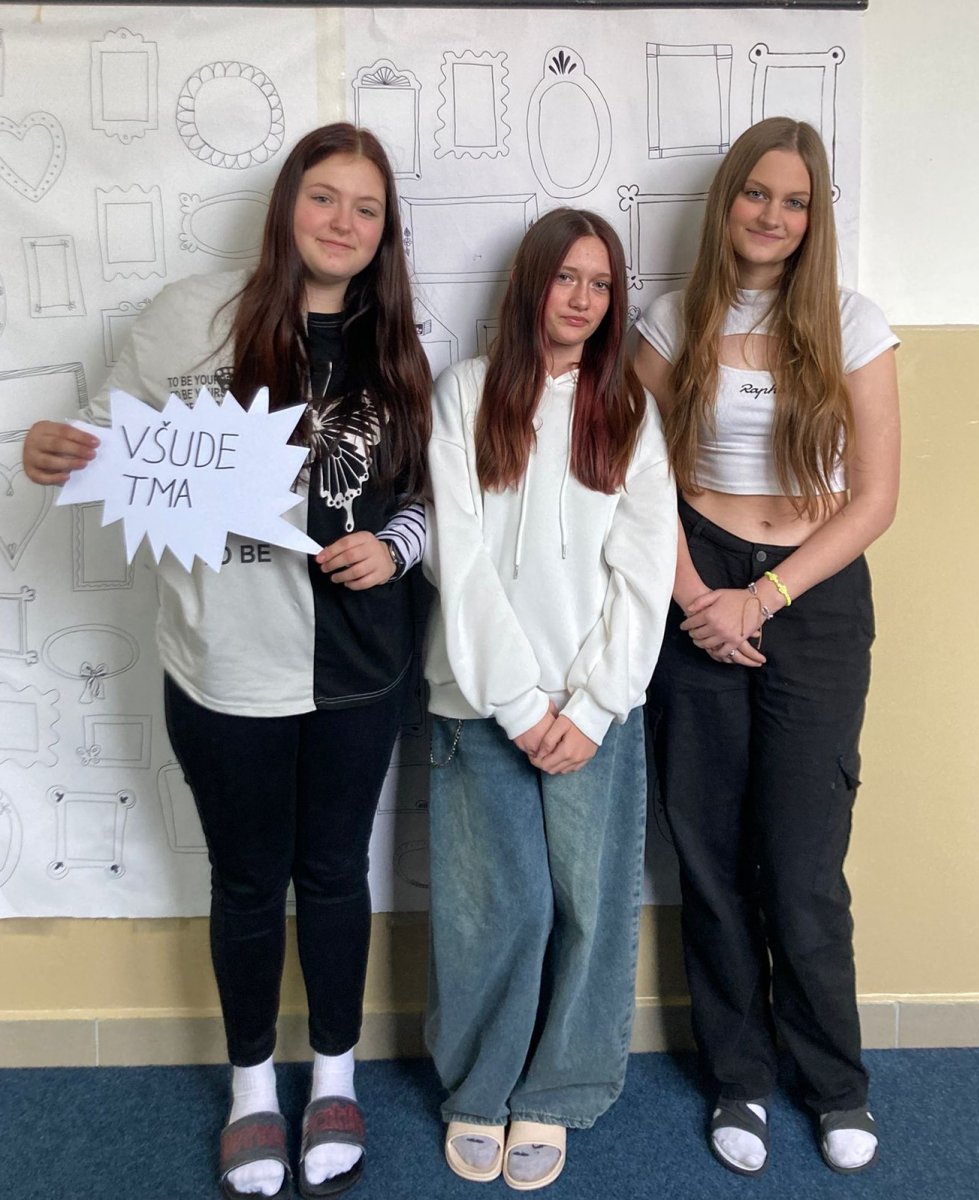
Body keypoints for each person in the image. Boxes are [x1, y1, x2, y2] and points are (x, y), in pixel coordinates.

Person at [23, 123, 432, 1200]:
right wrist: (52, 450)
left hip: (358, 669)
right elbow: (105, 442)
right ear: (286, 204)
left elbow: (435, 501)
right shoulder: (188, 317)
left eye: (367, 208)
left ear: (385, 232)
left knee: (334, 873)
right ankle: (254, 1086)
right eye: (324, 196)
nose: (343, 222)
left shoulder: (395, 344)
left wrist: (394, 549)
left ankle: (334, 1077)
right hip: (221, 664)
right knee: (248, 881)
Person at [633, 117, 900, 1178]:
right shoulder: (670, 320)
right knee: (707, 853)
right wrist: (700, 597)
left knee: (801, 863)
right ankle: (738, 1076)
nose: (773, 216)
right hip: (693, 577)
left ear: (814, 217)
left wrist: (766, 596)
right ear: (728, 201)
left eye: (795, 202)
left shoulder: (852, 322)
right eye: (757, 194)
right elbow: (635, 480)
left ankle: (835, 1084)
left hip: (812, 594)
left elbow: (874, 500)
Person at [422, 208, 676, 1190]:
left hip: (594, 708)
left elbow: (643, 571)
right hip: (480, 701)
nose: (583, 298)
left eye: (602, 284)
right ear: (531, 282)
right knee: (500, 907)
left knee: (589, 905)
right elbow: (458, 559)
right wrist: (519, 703)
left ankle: (559, 1090)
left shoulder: (629, 412)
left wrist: (596, 704)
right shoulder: (465, 394)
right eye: (567, 277)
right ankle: (480, 1086)